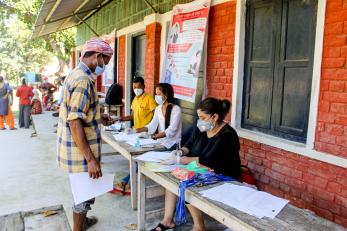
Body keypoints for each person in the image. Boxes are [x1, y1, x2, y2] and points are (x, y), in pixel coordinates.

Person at [151, 97, 240, 231]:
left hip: (221, 174)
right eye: (199, 117)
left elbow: (206, 161)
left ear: (214, 117)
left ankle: (199, 227)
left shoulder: (227, 135)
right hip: (202, 168)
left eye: (203, 117)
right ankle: (167, 220)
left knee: (185, 182)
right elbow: (189, 146)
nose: (200, 121)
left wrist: (180, 160)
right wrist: (180, 152)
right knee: (172, 177)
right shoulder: (202, 128)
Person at [57, 38, 114, 231]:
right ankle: (78, 228)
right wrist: (90, 160)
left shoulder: (77, 73)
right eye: (105, 62)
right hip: (80, 153)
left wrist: (98, 116)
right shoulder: (83, 80)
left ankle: (83, 222)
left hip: (75, 149)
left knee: (85, 192)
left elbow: (80, 112)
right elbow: (74, 122)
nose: (104, 66)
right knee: (84, 195)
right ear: (97, 57)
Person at [114, 76, 157, 194]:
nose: (137, 89)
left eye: (139, 87)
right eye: (134, 87)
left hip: (147, 135)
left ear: (144, 86)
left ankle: (125, 182)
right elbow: (132, 116)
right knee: (135, 158)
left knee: (138, 159)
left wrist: (154, 133)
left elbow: (157, 117)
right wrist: (121, 118)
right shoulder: (135, 100)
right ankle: (127, 181)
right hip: (136, 133)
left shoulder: (149, 99)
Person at [136, 83, 182, 149]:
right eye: (156, 94)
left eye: (159, 94)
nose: (156, 96)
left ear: (166, 95)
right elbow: (152, 126)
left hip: (173, 144)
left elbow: (171, 131)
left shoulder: (176, 109)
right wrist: (137, 130)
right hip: (160, 142)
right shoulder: (158, 108)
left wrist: (153, 137)